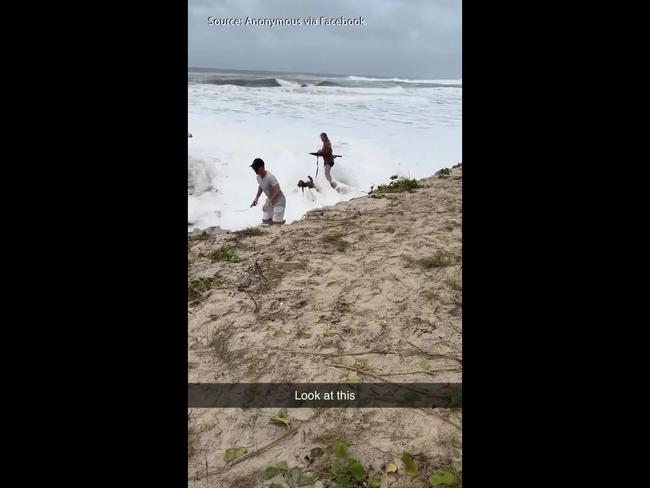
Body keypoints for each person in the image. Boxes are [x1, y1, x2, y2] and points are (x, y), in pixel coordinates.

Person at [249, 158, 286, 225]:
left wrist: (270, 203)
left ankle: (280, 221)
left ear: (262, 167)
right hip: (270, 200)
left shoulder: (270, 177)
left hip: (279, 201)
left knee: (275, 225)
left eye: (256, 168)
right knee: (265, 222)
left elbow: (277, 190)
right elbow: (261, 186)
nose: (255, 170)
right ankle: (280, 220)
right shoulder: (258, 177)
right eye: (254, 168)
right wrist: (256, 199)